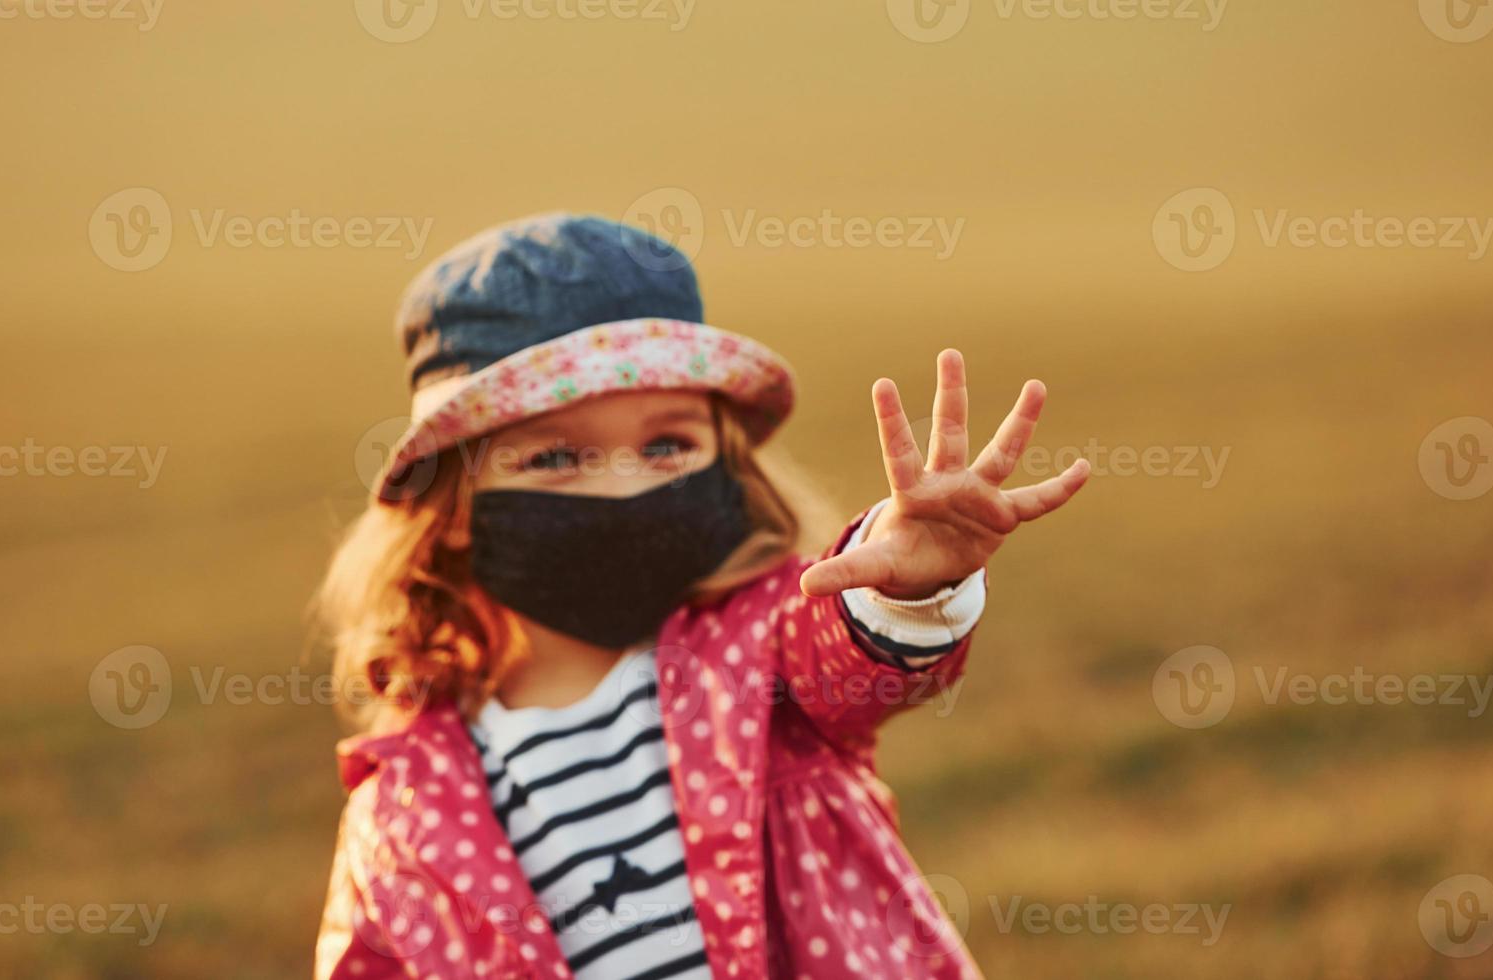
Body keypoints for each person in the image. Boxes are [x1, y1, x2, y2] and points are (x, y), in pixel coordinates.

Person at [312, 212, 1090, 979]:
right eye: (553, 455)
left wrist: (915, 580)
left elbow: (852, 653)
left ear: (728, 467)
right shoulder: (402, 810)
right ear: (450, 512)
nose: (625, 485)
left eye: (666, 445)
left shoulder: (760, 649)